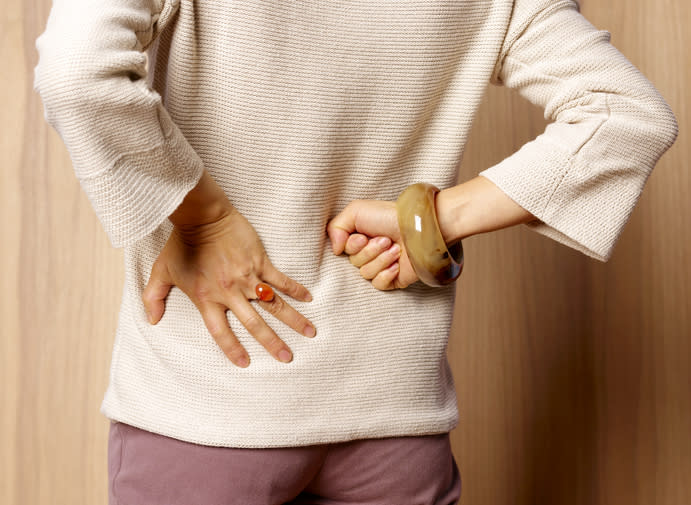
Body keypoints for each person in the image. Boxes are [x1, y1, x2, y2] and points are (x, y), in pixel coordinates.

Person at [33, 0, 677, 503]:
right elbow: (626, 115)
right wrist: (434, 220)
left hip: (210, 412)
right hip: (396, 421)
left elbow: (75, 68)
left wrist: (207, 220)